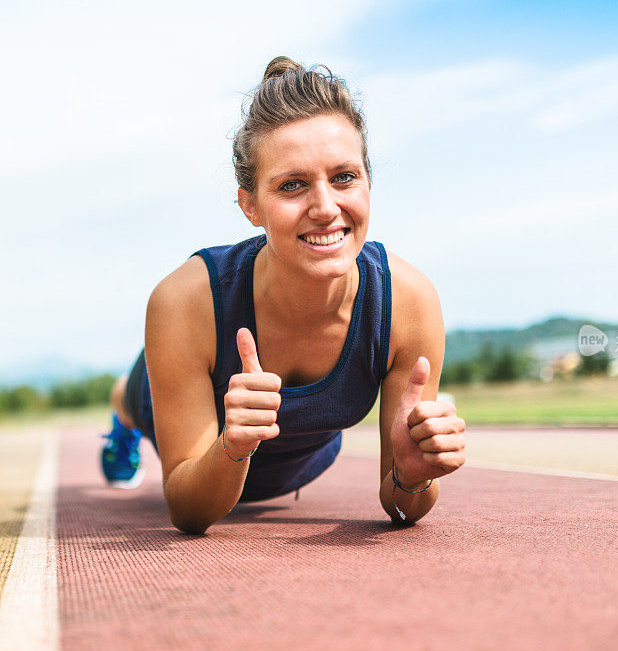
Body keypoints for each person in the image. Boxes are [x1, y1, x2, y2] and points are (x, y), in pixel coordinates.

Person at [100, 56, 467, 533]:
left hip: (305, 457)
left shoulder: (408, 302)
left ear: (368, 181)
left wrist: (414, 477)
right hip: (182, 427)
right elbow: (188, 511)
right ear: (249, 205)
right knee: (133, 395)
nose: (325, 207)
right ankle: (122, 417)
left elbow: (400, 507)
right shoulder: (183, 300)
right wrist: (233, 443)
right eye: (292, 185)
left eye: (344, 177)